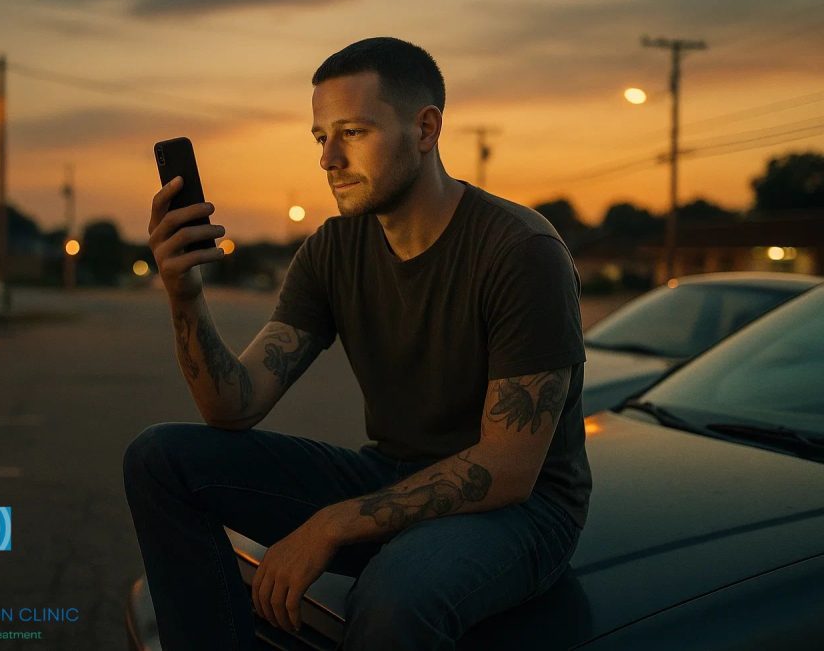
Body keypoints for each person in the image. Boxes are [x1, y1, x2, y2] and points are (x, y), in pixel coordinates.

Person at [124, 36, 591, 651]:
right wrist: (184, 294)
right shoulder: (333, 249)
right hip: (391, 471)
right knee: (159, 457)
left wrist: (330, 526)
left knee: (394, 597)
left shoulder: (521, 250)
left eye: (353, 132)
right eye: (321, 137)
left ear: (425, 130)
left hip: (523, 512)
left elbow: (508, 468)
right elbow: (232, 406)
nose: (329, 160)